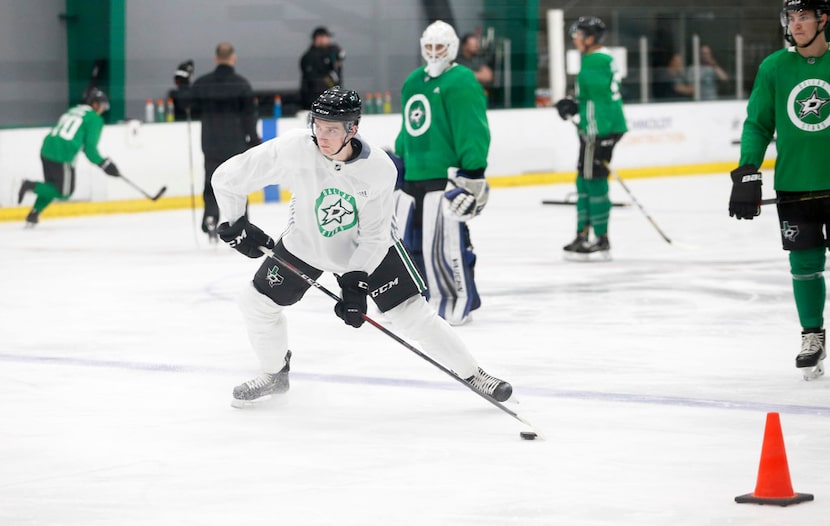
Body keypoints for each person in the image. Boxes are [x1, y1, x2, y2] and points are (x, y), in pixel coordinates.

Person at [210, 87, 512, 407]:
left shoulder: (379, 169)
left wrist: (355, 281)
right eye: (317, 125)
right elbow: (227, 177)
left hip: (371, 249)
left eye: (331, 129)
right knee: (256, 304)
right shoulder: (294, 149)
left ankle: (473, 374)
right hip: (307, 243)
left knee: (412, 316)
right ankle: (275, 374)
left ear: (352, 129)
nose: (321, 136)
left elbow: (374, 237)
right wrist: (235, 222)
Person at [728, 0, 830, 380]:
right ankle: (812, 337)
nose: (797, 23)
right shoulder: (774, 67)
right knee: (804, 266)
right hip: (795, 186)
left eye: (805, 16)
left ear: (823, 20)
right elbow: (757, 124)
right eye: (792, 17)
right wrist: (748, 171)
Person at [393, 20, 491, 326]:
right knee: (412, 242)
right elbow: (408, 127)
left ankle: (455, 300)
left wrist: (473, 170)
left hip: (445, 176)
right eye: (429, 47)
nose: (434, 53)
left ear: (452, 49)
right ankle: (417, 299)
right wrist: (399, 157)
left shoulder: (461, 80)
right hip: (412, 175)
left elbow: (472, 127)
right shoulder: (413, 81)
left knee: (446, 243)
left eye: (440, 47)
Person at [554, 16, 628, 260]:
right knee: (584, 180)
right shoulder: (601, 59)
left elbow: (598, 103)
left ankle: (600, 237)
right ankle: (583, 235)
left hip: (598, 131)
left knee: (593, 181)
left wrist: (596, 134)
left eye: (579, 34)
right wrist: (575, 107)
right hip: (601, 128)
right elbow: (594, 100)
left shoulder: (595, 61)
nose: (575, 38)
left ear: (590, 38)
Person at [174, 42, 260, 242]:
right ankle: (240, 224)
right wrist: (254, 139)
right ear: (233, 57)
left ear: (216, 58)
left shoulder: (204, 83)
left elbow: (185, 103)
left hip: (211, 142)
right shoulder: (241, 84)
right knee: (238, 184)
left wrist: (182, 81)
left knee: (211, 181)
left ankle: (211, 217)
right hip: (236, 143)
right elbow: (250, 115)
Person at [17, 88, 121, 227]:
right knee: (64, 192)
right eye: (102, 106)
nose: (102, 110)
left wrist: (104, 164)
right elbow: (89, 149)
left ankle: (34, 213)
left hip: (47, 149)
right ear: (95, 104)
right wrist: (105, 164)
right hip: (62, 154)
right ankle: (30, 185)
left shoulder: (73, 110)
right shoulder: (95, 119)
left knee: (52, 187)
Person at [299, 26, 345, 110]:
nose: (328, 41)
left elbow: (339, 62)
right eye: (326, 37)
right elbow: (317, 80)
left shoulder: (329, 53)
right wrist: (332, 84)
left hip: (331, 101)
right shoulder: (310, 57)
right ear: (318, 38)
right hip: (316, 102)